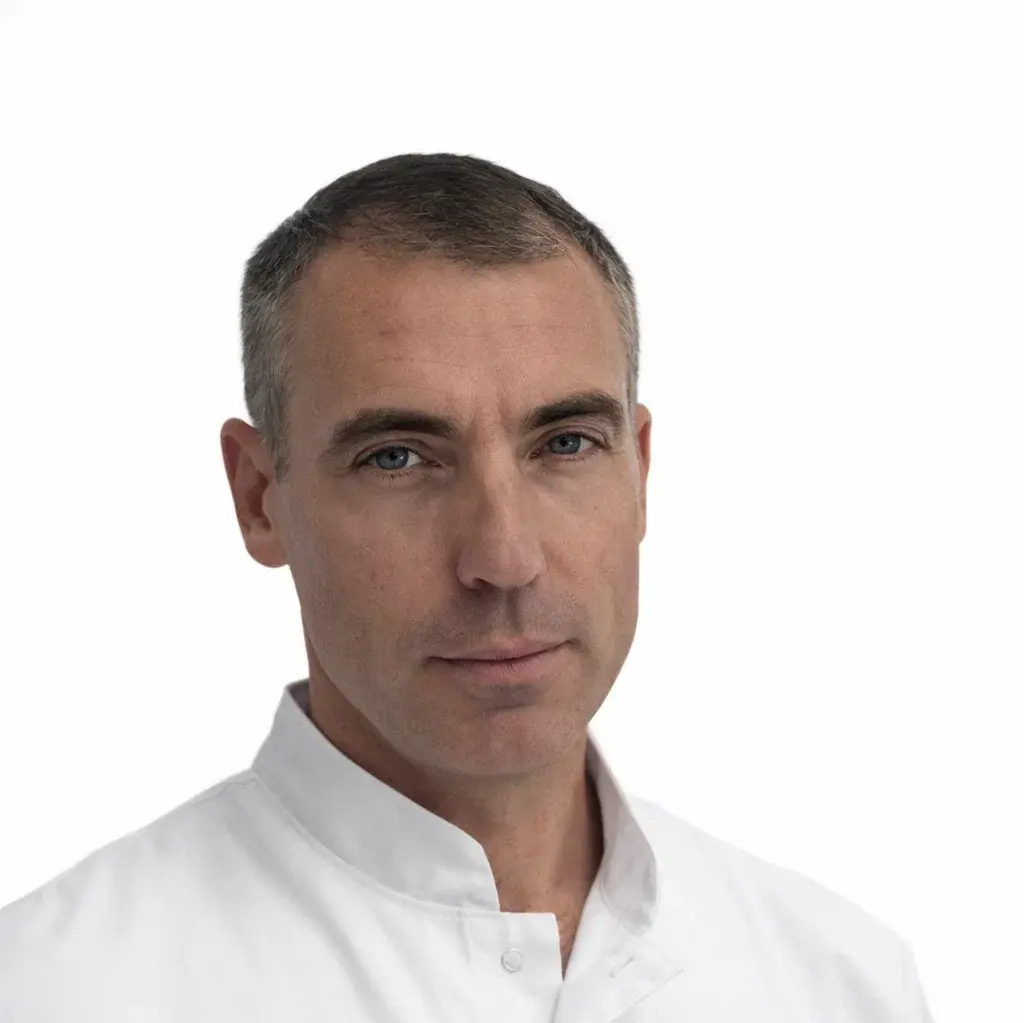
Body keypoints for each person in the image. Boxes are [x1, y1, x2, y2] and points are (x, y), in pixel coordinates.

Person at [0, 152, 935, 1021]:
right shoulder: (55, 989)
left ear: (640, 471)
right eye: (398, 457)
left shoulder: (838, 984)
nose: (504, 556)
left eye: (566, 443)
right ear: (259, 498)